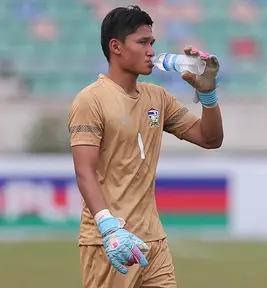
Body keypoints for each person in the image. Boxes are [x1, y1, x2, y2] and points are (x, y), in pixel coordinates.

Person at [68, 5, 223, 288]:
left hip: (154, 241)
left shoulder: (158, 97)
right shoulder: (90, 100)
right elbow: (85, 172)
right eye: (142, 43)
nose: (151, 51)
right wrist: (108, 228)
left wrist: (208, 94)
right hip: (111, 242)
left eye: (152, 42)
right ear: (116, 47)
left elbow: (210, 139)